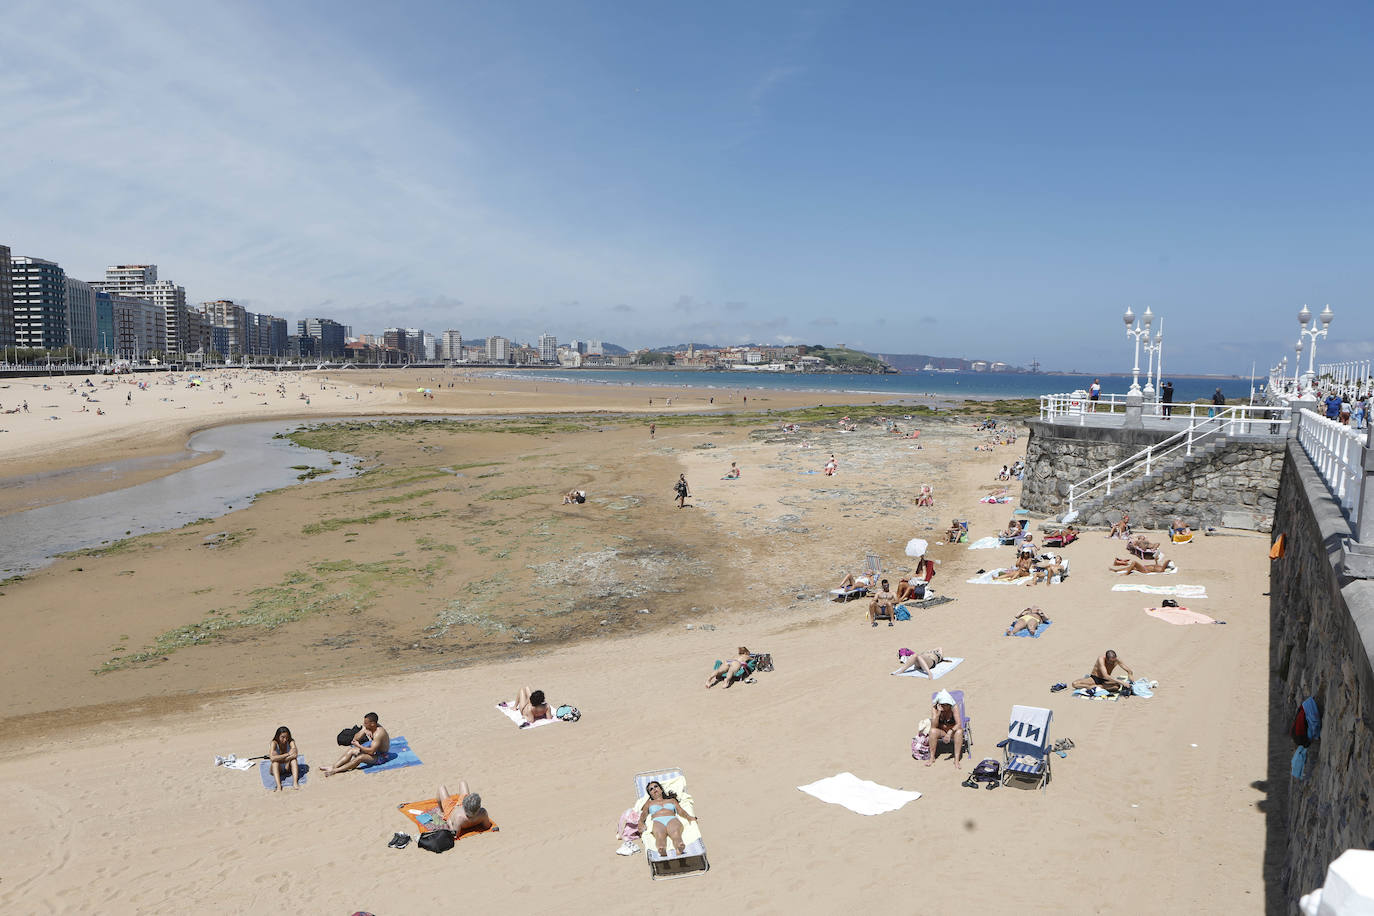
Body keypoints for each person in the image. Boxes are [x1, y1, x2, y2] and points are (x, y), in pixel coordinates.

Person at [639, 779, 699, 858]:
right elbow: (643, 814)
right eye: (651, 789)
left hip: (671, 818)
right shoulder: (649, 803)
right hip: (657, 820)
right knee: (659, 835)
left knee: (676, 833)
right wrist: (640, 822)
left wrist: (688, 817)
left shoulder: (672, 800)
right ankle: (662, 849)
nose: (654, 789)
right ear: (650, 794)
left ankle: (679, 847)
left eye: (656, 786)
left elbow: (680, 811)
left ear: (661, 789)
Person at [323, 712, 389, 776]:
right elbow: (355, 739)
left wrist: (359, 746)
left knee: (360, 757)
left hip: (382, 756)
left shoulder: (378, 733)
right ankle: (333, 767)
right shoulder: (370, 726)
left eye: (366, 723)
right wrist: (364, 730)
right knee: (351, 750)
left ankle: (336, 770)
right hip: (375, 751)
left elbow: (371, 752)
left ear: (372, 724)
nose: (364, 724)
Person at [927, 690, 965, 769]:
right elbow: (934, 726)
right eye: (942, 705)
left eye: (946, 705)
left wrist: (950, 732)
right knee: (932, 731)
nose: (944, 707)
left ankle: (956, 760)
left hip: (952, 731)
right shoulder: (935, 708)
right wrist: (938, 715)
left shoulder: (954, 707)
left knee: (960, 731)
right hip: (941, 731)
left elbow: (958, 724)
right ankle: (932, 757)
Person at [267, 725, 300, 791]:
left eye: (287, 737)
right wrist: (287, 754)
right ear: (278, 736)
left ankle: (295, 783)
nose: (285, 740)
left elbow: (295, 755)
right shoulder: (274, 743)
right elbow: (272, 759)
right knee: (275, 763)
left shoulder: (291, 742)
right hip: (277, 768)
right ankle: (279, 786)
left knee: (294, 760)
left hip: (287, 766)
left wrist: (279, 758)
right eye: (282, 737)